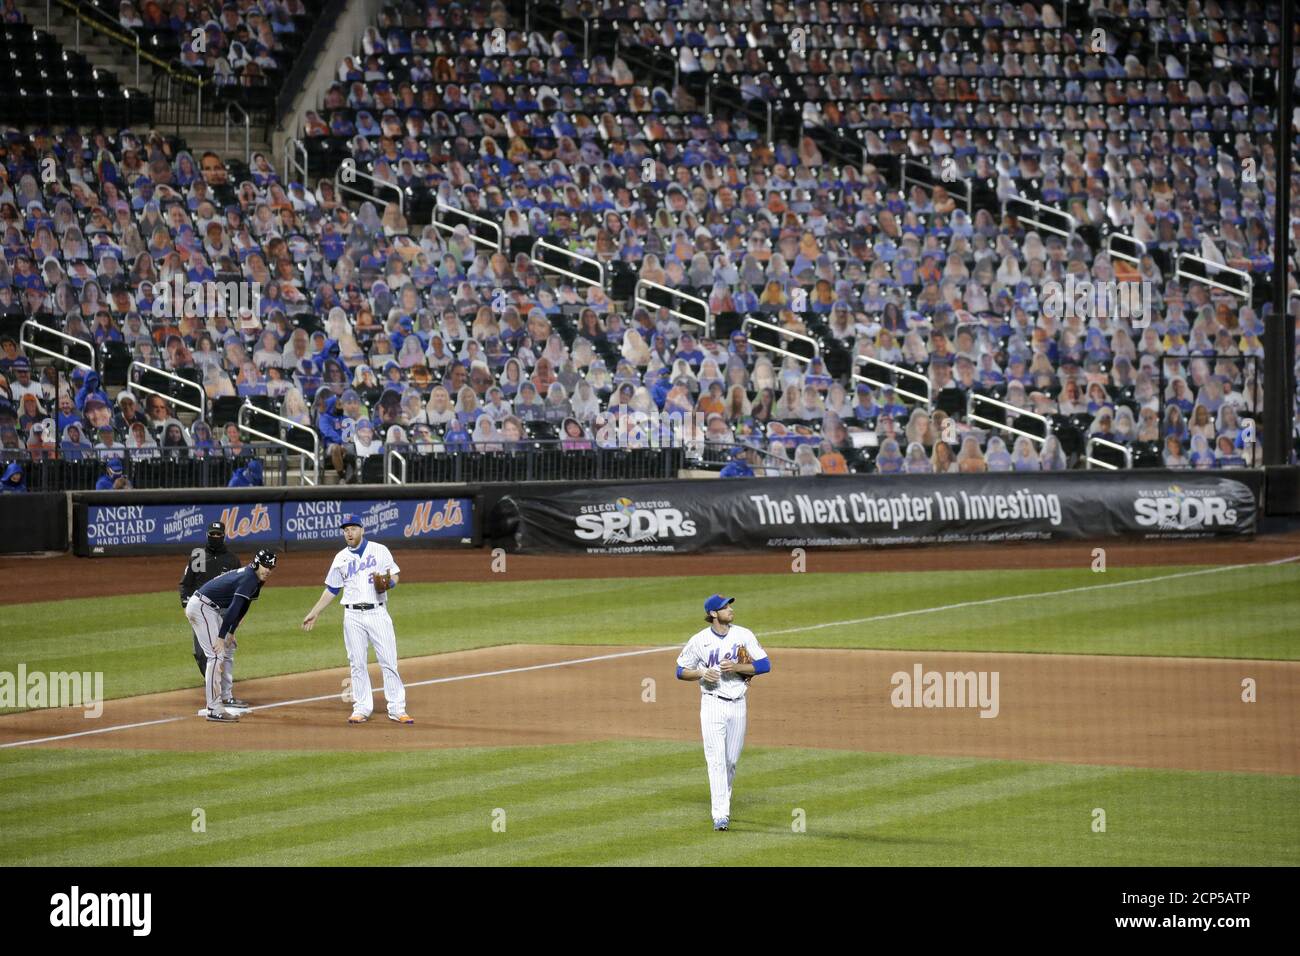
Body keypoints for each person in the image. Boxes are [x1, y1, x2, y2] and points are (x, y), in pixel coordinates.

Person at [300, 513, 413, 724]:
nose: (349, 532)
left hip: (377, 612)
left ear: (362, 529)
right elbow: (332, 589)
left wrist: (390, 583)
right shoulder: (340, 558)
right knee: (357, 663)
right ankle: (362, 707)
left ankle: (397, 708)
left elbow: (395, 574)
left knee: (389, 661)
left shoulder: (380, 550)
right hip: (352, 615)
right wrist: (315, 611)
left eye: (352, 528)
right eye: (345, 529)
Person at [675, 594, 771, 832]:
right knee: (716, 761)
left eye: (729, 606)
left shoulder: (744, 635)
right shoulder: (699, 640)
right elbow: (680, 670)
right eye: (725, 607)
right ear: (713, 614)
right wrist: (701, 673)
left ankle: (723, 803)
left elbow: (765, 665)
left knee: (730, 761)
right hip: (712, 704)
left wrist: (738, 667)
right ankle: (720, 815)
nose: (730, 610)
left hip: (738, 704)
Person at [185, 549, 278, 723]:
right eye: (265, 565)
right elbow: (234, 607)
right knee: (215, 654)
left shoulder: (257, 579)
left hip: (210, 609)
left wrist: (231, 632)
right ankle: (213, 708)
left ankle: (226, 697)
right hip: (201, 607)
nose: (268, 570)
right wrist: (221, 636)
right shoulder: (249, 577)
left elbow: (244, 606)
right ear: (257, 563)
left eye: (271, 567)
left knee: (228, 648)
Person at [179, 522, 242, 682]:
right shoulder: (198, 555)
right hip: (201, 609)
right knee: (200, 653)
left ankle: (220, 686)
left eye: (218, 535)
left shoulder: (232, 559)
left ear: (223, 536)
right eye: (212, 534)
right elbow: (186, 583)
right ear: (207, 535)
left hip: (223, 610)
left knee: (222, 651)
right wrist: (186, 605)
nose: (215, 537)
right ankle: (213, 679)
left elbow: (239, 588)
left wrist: (237, 613)